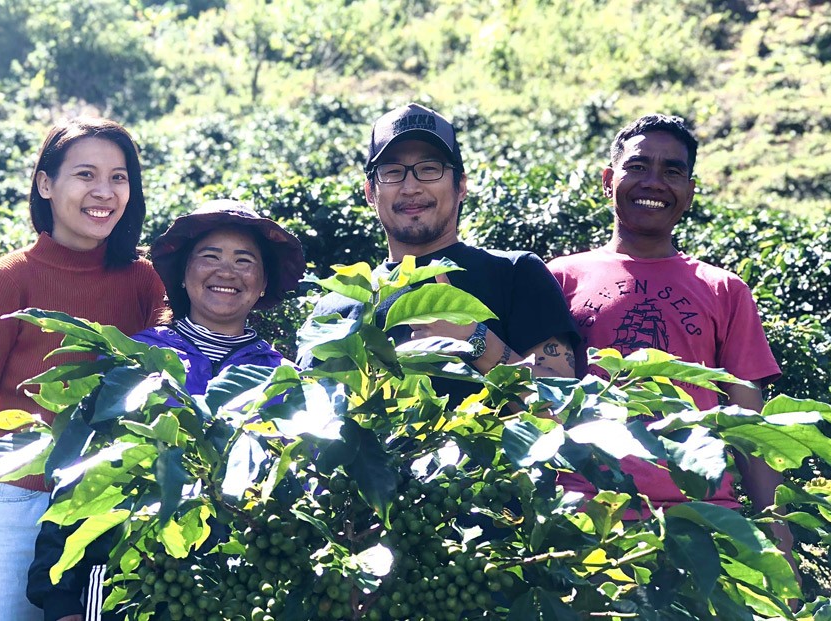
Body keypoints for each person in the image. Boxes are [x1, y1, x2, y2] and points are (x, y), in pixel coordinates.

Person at [27, 199, 306, 621]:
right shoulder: (137, 359)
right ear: (183, 274)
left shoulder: (284, 379)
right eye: (209, 257)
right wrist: (61, 599)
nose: (226, 272)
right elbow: (79, 473)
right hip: (131, 580)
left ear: (263, 282)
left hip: (238, 591)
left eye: (244, 260)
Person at [0, 117, 167, 621]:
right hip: (19, 502)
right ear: (46, 184)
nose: (104, 192)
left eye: (119, 177)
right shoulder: (7, 281)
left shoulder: (146, 281)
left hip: (108, 504)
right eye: (85, 175)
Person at [546, 114, 796, 568]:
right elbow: (535, 401)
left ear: (690, 191)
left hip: (701, 524)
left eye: (672, 171)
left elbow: (749, 427)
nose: (654, 182)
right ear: (608, 181)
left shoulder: (725, 290)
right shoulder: (557, 278)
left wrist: (779, 543)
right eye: (638, 167)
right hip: (582, 521)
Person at [299, 102, 580, 403]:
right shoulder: (335, 309)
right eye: (393, 172)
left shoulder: (516, 274)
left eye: (428, 169)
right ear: (370, 191)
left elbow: (560, 407)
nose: (410, 187)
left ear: (461, 185)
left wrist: (475, 339)